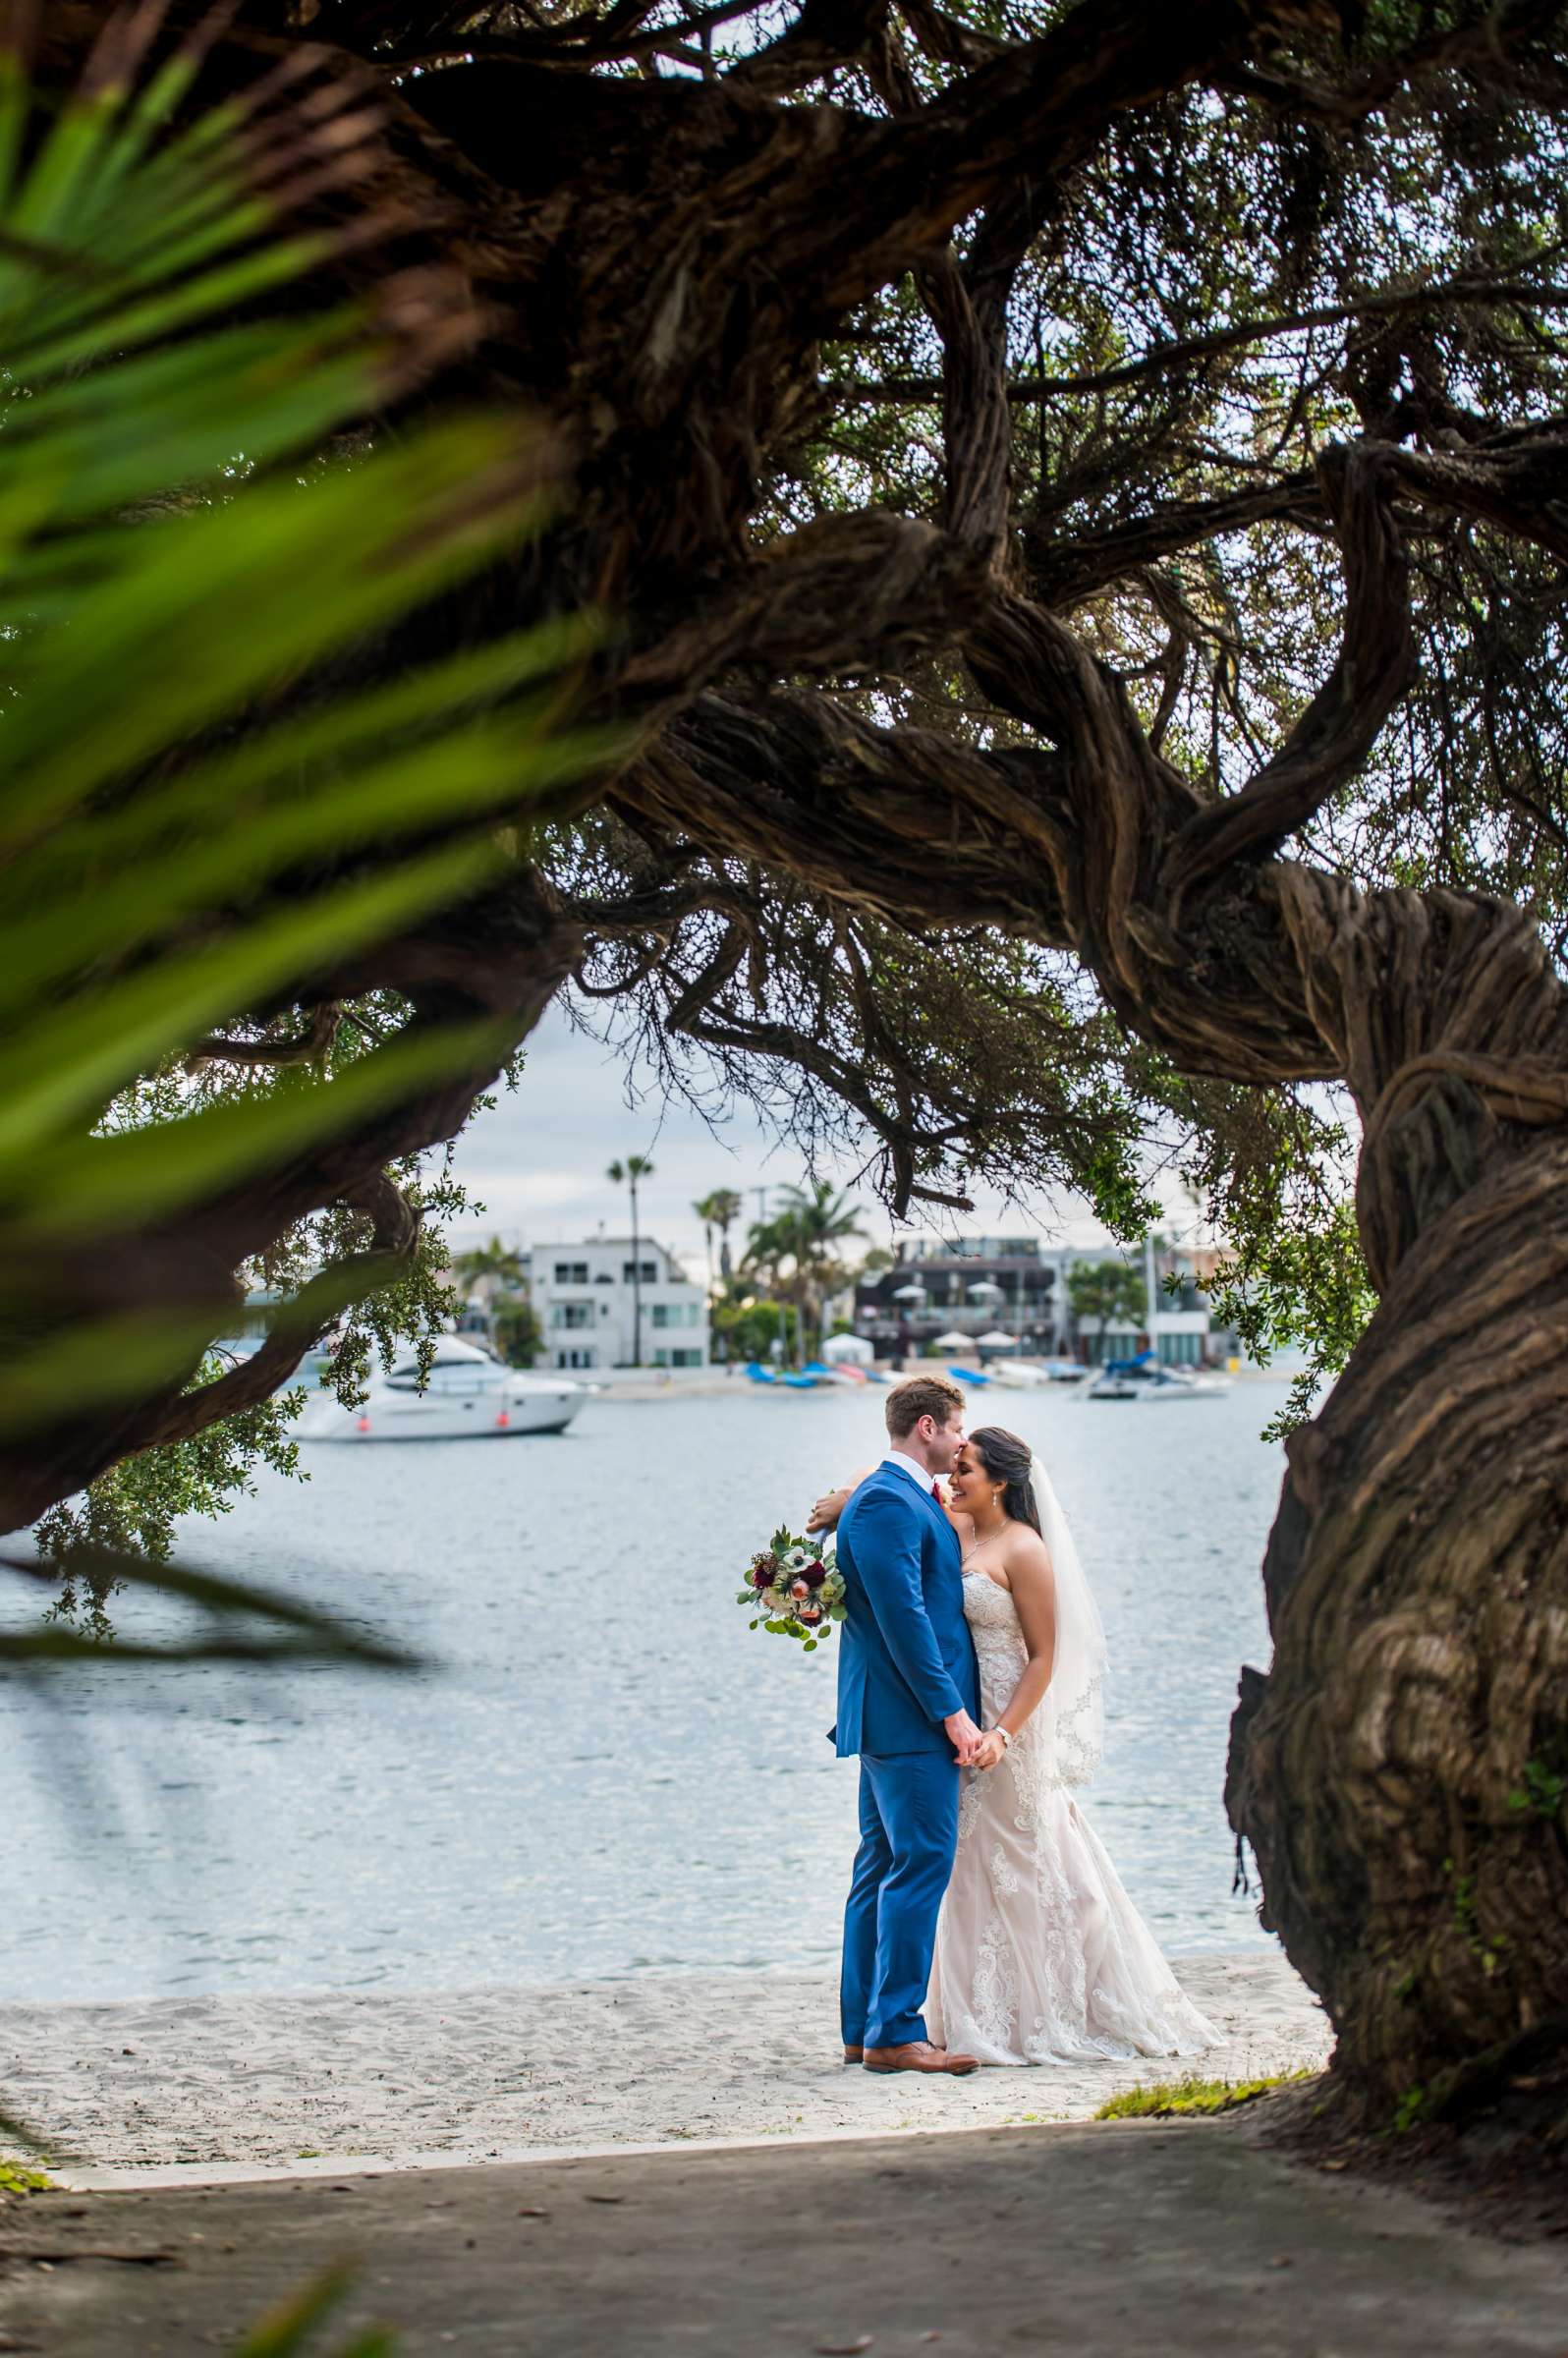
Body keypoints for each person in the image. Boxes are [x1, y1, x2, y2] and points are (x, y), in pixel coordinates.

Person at [812, 1424, 1216, 2066]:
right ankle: (943, 2014)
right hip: (955, 1721)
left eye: (966, 1468)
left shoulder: (1024, 1548)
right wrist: (845, 1503)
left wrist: (1003, 1732)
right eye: (955, 1463)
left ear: (999, 1482)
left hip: (1003, 1719)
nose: (953, 1476)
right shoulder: (955, 1523)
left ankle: (1038, 2006)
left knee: (1032, 1860)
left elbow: (1045, 1656)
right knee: (962, 1867)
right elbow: (895, 1491)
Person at [829, 1374, 983, 2076]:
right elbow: (905, 1621)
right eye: (954, 1429)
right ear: (927, 1427)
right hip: (910, 1719)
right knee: (918, 1863)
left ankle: (865, 2028)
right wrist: (952, 1714)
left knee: (884, 1864)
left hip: (892, 1718)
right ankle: (894, 2029)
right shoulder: (888, 1504)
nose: (959, 1444)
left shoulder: (894, 1496)